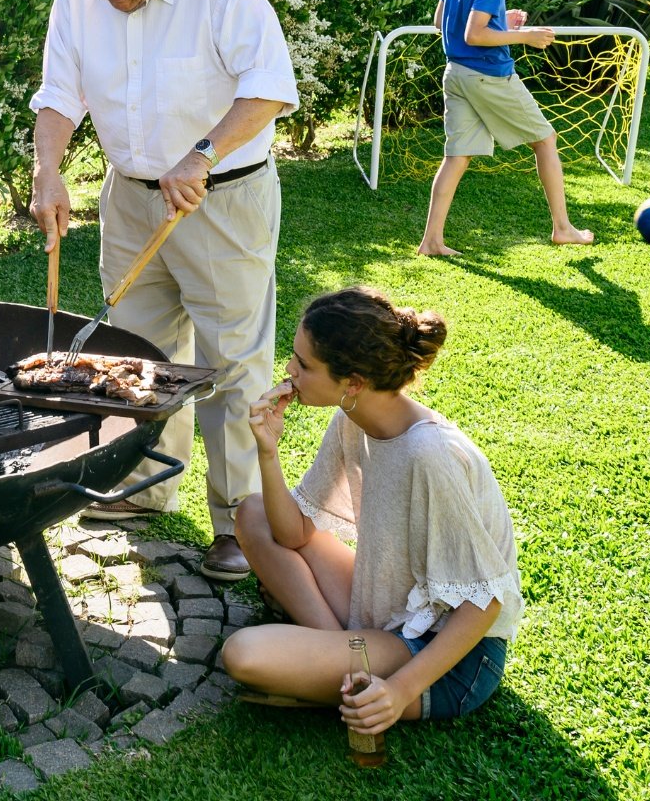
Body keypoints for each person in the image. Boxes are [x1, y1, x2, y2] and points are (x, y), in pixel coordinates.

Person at [28, 0, 299, 582]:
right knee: (136, 354)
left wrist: (203, 152)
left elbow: (270, 85)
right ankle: (144, 489)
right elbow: (60, 93)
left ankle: (240, 523)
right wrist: (47, 168)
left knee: (232, 365)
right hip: (130, 198)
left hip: (223, 196)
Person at [219, 285, 522, 734]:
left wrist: (399, 692)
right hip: (391, 604)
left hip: (446, 652)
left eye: (304, 364)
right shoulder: (350, 419)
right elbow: (294, 535)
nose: (289, 370)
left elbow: (487, 603)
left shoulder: (430, 455)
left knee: (244, 653)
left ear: (354, 382)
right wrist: (268, 452)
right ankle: (336, 656)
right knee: (254, 513)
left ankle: (339, 670)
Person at [417, 0, 593, 256]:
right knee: (545, 140)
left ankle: (431, 242)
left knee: (457, 157)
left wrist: (502, 21)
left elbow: (441, 23)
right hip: (488, 77)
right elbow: (475, 35)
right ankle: (563, 228)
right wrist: (525, 35)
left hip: (456, 75)